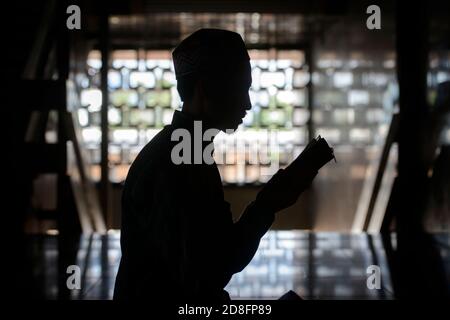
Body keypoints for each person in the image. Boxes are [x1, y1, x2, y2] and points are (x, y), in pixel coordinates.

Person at [113, 28, 332, 301]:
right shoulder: (181, 160)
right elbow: (212, 270)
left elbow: (212, 259)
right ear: (205, 89)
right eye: (240, 89)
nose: (248, 104)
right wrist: (266, 206)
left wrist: (267, 204)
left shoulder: (184, 149)